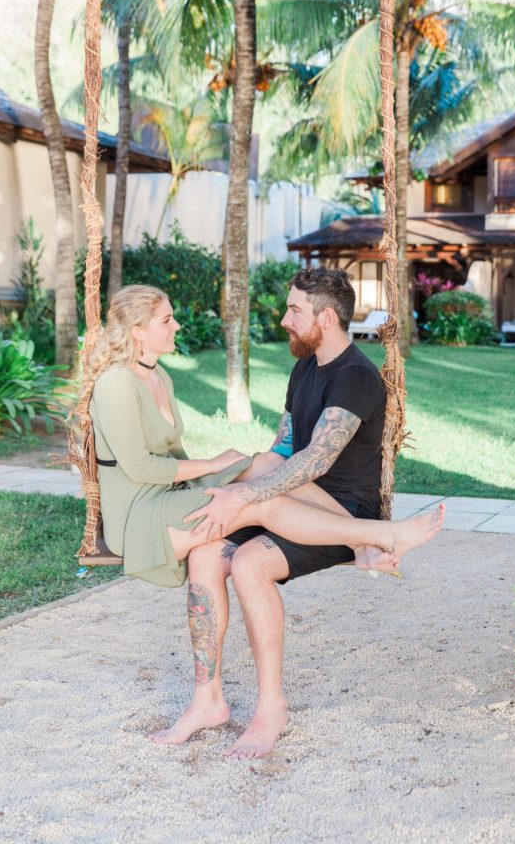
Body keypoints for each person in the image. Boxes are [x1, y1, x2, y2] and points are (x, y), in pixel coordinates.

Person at [151, 268, 444, 758]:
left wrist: (246, 496)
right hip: (285, 499)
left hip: (339, 508)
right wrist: (252, 478)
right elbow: (286, 445)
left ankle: (271, 708)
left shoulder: (355, 378)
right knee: (205, 555)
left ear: (326, 318)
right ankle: (208, 699)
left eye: (294, 310)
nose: (284, 319)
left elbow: (316, 460)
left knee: (249, 563)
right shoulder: (305, 366)